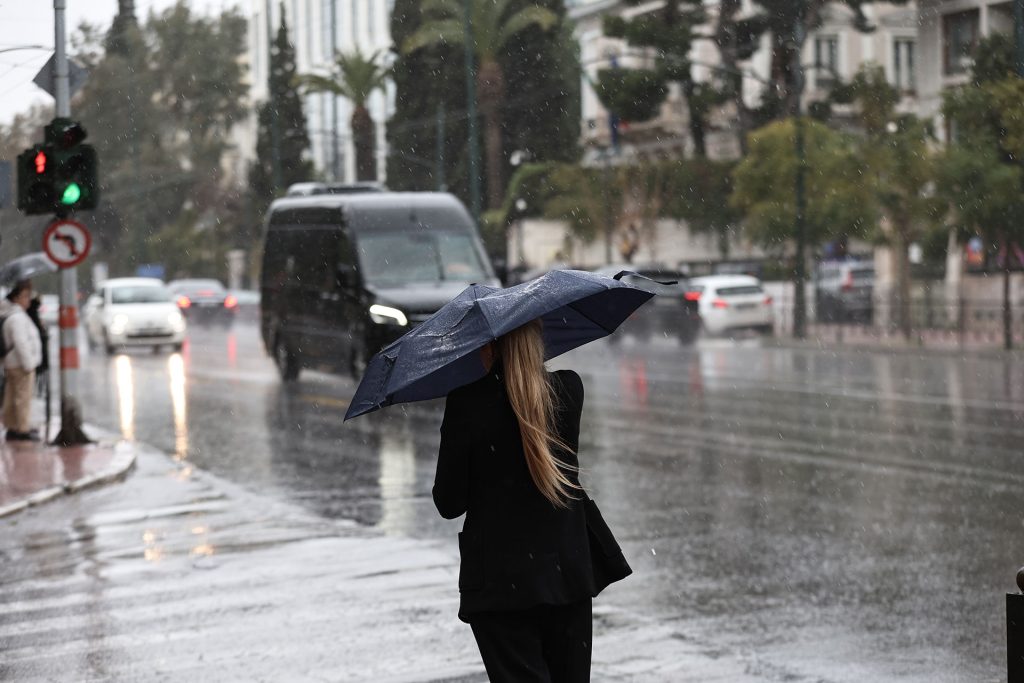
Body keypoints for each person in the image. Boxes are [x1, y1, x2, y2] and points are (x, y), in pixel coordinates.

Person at [434, 318, 630, 682]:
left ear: (488, 346)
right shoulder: (568, 390)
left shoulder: (467, 402)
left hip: (499, 581)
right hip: (566, 572)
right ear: (539, 338)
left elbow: (449, 502)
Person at [0, 280, 43, 441]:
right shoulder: (17, 318)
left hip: (12, 363)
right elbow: (21, 343)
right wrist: (29, 364)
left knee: (11, 397)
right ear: (16, 298)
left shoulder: (11, 314)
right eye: (25, 296)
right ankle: (22, 429)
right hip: (20, 364)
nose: (28, 300)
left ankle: (12, 426)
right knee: (22, 398)